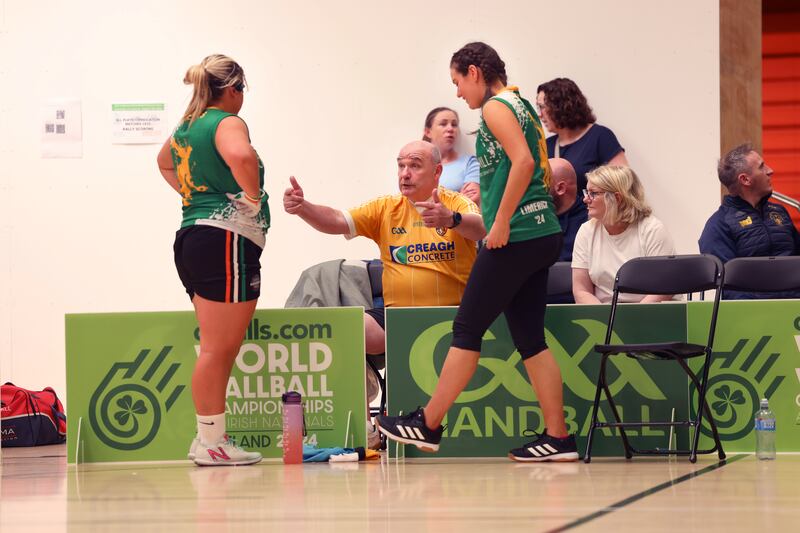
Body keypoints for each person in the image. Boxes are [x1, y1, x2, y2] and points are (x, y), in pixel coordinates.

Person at [376, 42, 579, 462]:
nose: (458, 94)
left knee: (467, 329)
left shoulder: (495, 107)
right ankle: (559, 438)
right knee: (530, 339)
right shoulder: (520, 103)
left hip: (517, 234)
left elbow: (523, 162)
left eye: (457, 82)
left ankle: (428, 423)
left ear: (474, 71)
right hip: (542, 232)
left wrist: (500, 220)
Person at [283, 140, 485, 445]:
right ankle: (367, 428)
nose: (405, 173)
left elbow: (481, 229)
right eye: (401, 165)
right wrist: (303, 208)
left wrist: (450, 220)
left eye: (415, 165)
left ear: (437, 171)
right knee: (349, 329)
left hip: (453, 315)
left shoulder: (455, 204)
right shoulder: (385, 208)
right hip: (396, 319)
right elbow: (338, 220)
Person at [156, 54, 269, 466]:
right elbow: (241, 156)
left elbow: (164, 162)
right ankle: (211, 443)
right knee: (217, 349)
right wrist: (252, 199)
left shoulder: (187, 126)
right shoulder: (225, 121)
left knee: (216, 347)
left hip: (193, 236)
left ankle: (209, 439)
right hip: (223, 240)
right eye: (243, 91)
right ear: (233, 88)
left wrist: (196, 196)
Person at [699, 143, 800, 298]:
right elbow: (730, 287)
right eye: (762, 167)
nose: (770, 170)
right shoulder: (718, 226)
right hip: (753, 314)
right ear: (745, 179)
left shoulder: (780, 212)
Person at [572, 165, 676, 304]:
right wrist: (603, 320)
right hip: (605, 316)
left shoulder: (652, 229)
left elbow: (663, 288)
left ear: (617, 198)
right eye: (587, 192)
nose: (585, 199)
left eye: (593, 193)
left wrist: (630, 321)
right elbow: (581, 290)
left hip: (649, 314)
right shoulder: (586, 231)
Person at [536, 78, 628, 191]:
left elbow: (624, 181)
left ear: (560, 105)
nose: (539, 115)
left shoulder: (600, 136)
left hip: (592, 208)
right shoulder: (546, 145)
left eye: (542, 107)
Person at [422, 107, 481, 205]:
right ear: (428, 132)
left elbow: (471, 202)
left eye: (454, 125)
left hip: (457, 220)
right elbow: (412, 200)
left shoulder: (469, 163)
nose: (450, 129)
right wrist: (458, 198)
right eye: (443, 124)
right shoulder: (417, 165)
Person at [549, 158, 587, 262]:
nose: (535, 188)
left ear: (560, 188)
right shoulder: (534, 218)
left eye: (542, 181)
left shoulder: (591, 224)